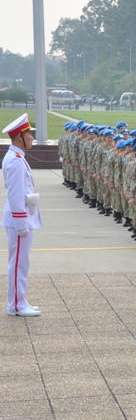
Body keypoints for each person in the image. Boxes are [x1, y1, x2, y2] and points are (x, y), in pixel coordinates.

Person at [2, 114, 42, 317]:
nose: (32, 139)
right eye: (29, 135)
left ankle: (20, 300)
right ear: (20, 137)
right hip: (20, 218)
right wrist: (21, 224)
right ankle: (16, 305)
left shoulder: (17, 158)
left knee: (21, 262)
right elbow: (16, 195)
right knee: (18, 263)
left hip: (21, 217)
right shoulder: (16, 161)